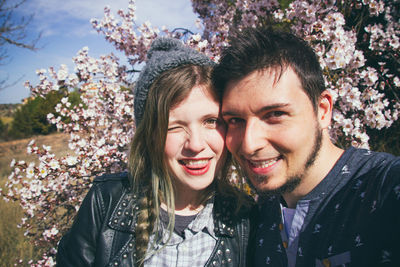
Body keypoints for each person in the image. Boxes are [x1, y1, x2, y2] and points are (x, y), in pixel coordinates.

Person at [56, 37, 253, 267]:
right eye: (175, 127)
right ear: (150, 136)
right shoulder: (106, 202)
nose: (196, 144)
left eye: (210, 121)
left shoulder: (246, 219)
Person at [212, 27, 400, 267]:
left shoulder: (384, 191)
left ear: (322, 111)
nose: (249, 144)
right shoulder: (256, 220)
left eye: (275, 114)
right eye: (235, 120)